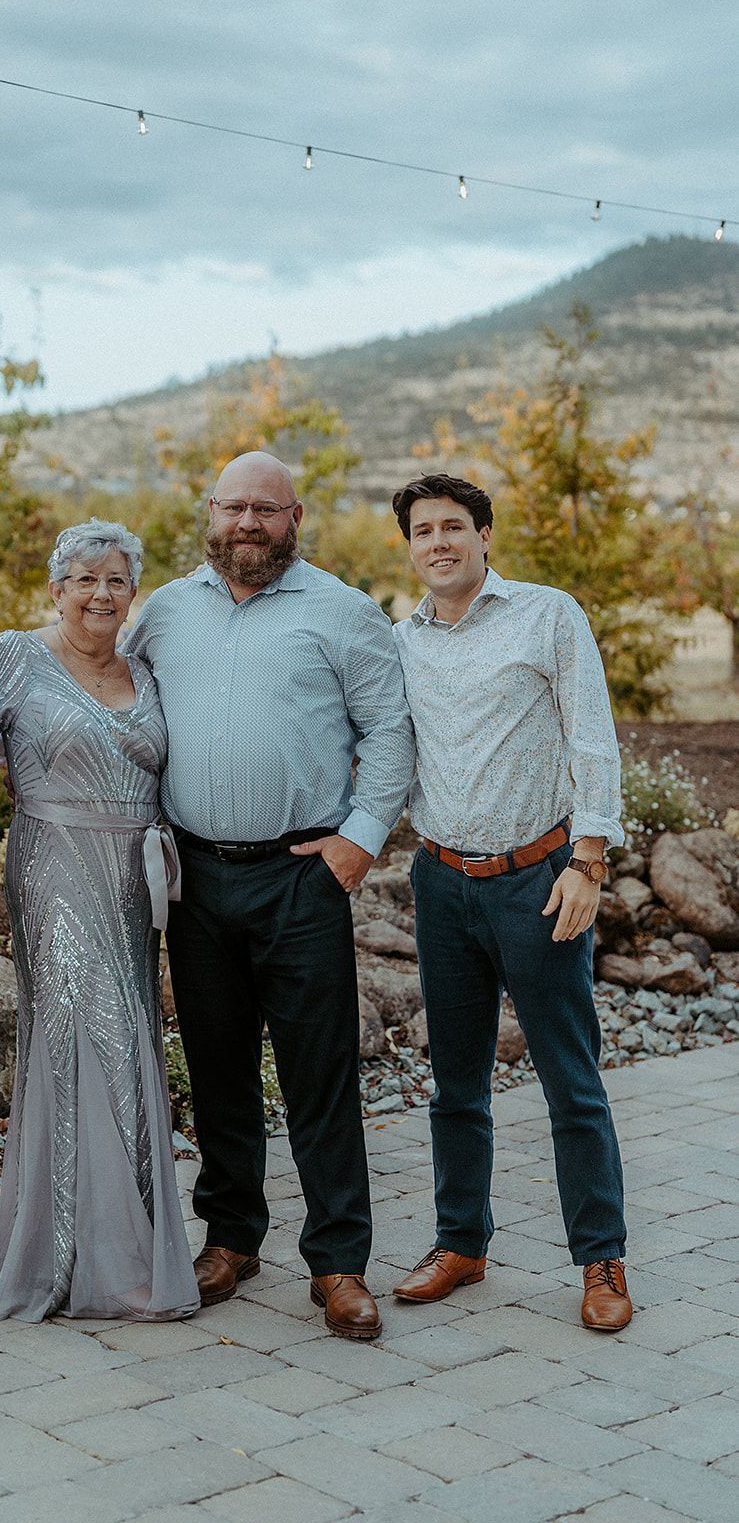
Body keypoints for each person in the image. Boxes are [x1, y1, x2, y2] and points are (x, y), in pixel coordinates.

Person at [125, 452, 414, 1341]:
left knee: (318, 1073)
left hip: (301, 874)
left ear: (296, 516)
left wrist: (356, 847)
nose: (247, 523)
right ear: (209, 513)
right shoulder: (163, 613)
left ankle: (337, 1263)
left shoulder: (342, 611)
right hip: (196, 876)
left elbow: (390, 733)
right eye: (233, 507)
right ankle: (231, 1238)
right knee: (215, 1066)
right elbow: (116, 704)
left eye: (266, 509)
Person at [389, 471, 632, 1331]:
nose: (438, 543)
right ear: (409, 546)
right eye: (422, 531)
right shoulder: (401, 639)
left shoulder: (546, 613)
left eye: (453, 526)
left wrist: (588, 859)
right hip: (440, 881)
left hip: (538, 881)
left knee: (571, 1081)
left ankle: (600, 1259)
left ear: (484, 535)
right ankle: (462, 1241)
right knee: (454, 1082)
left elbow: (590, 737)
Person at [0, 520, 198, 1322]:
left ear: (131, 593)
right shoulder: (9, 657)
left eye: (116, 580)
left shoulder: (147, 670)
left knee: (130, 1032)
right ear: (55, 587)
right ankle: (73, 1255)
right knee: (79, 1033)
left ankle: (128, 1234)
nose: (101, 594)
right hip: (54, 867)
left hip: (135, 881)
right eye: (84, 579)